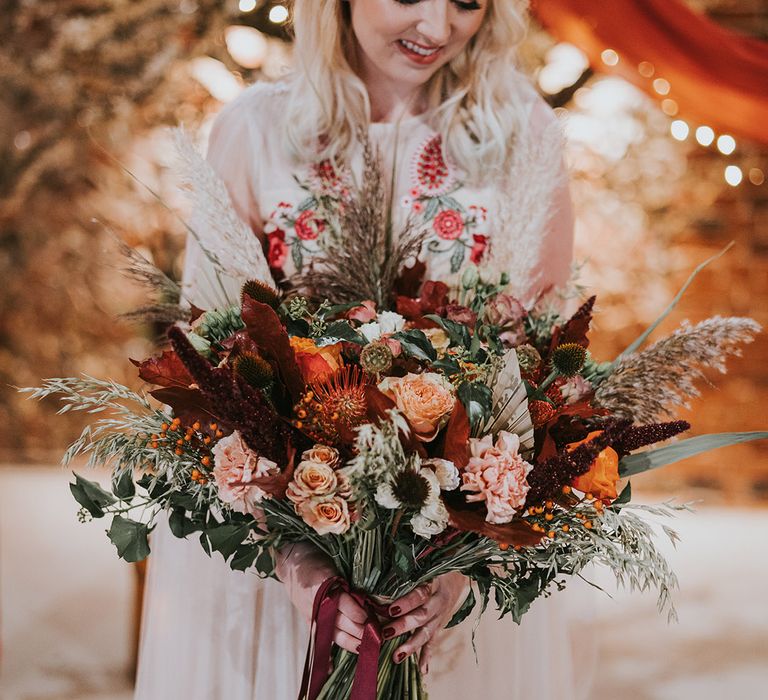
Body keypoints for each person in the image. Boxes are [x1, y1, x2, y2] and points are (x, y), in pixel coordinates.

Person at [135, 1, 589, 697]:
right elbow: (217, 372)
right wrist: (296, 561)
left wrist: (462, 566)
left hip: (450, 590)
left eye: (468, 0)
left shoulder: (520, 134)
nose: (437, 29)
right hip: (285, 576)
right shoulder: (254, 131)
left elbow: (538, 383)